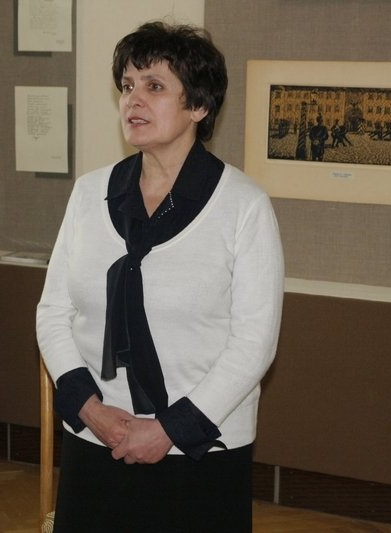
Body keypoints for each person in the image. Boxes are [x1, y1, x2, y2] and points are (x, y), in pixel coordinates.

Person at [36, 21, 284, 532]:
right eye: (127, 85)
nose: (133, 99)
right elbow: (53, 312)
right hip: (95, 436)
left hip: (200, 447)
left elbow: (254, 343)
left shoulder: (243, 206)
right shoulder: (89, 193)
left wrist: (170, 429)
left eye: (154, 86)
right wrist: (89, 409)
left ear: (199, 106)